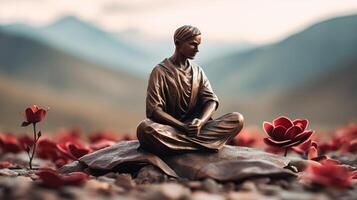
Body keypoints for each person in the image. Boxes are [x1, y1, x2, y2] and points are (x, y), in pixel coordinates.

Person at [137, 25, 244, 156]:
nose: (197, 50)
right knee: (145, 129)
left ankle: (179, 146)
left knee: (237, 119)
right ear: (178, 43)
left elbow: (211, 100)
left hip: (196, 130)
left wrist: (200, 122)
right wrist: (181, 127)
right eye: (193, 44)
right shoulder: (160, 71)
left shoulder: (197, 71)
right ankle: (202, 145)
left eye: (198, 45)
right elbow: (154, 110)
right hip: (171, 129)